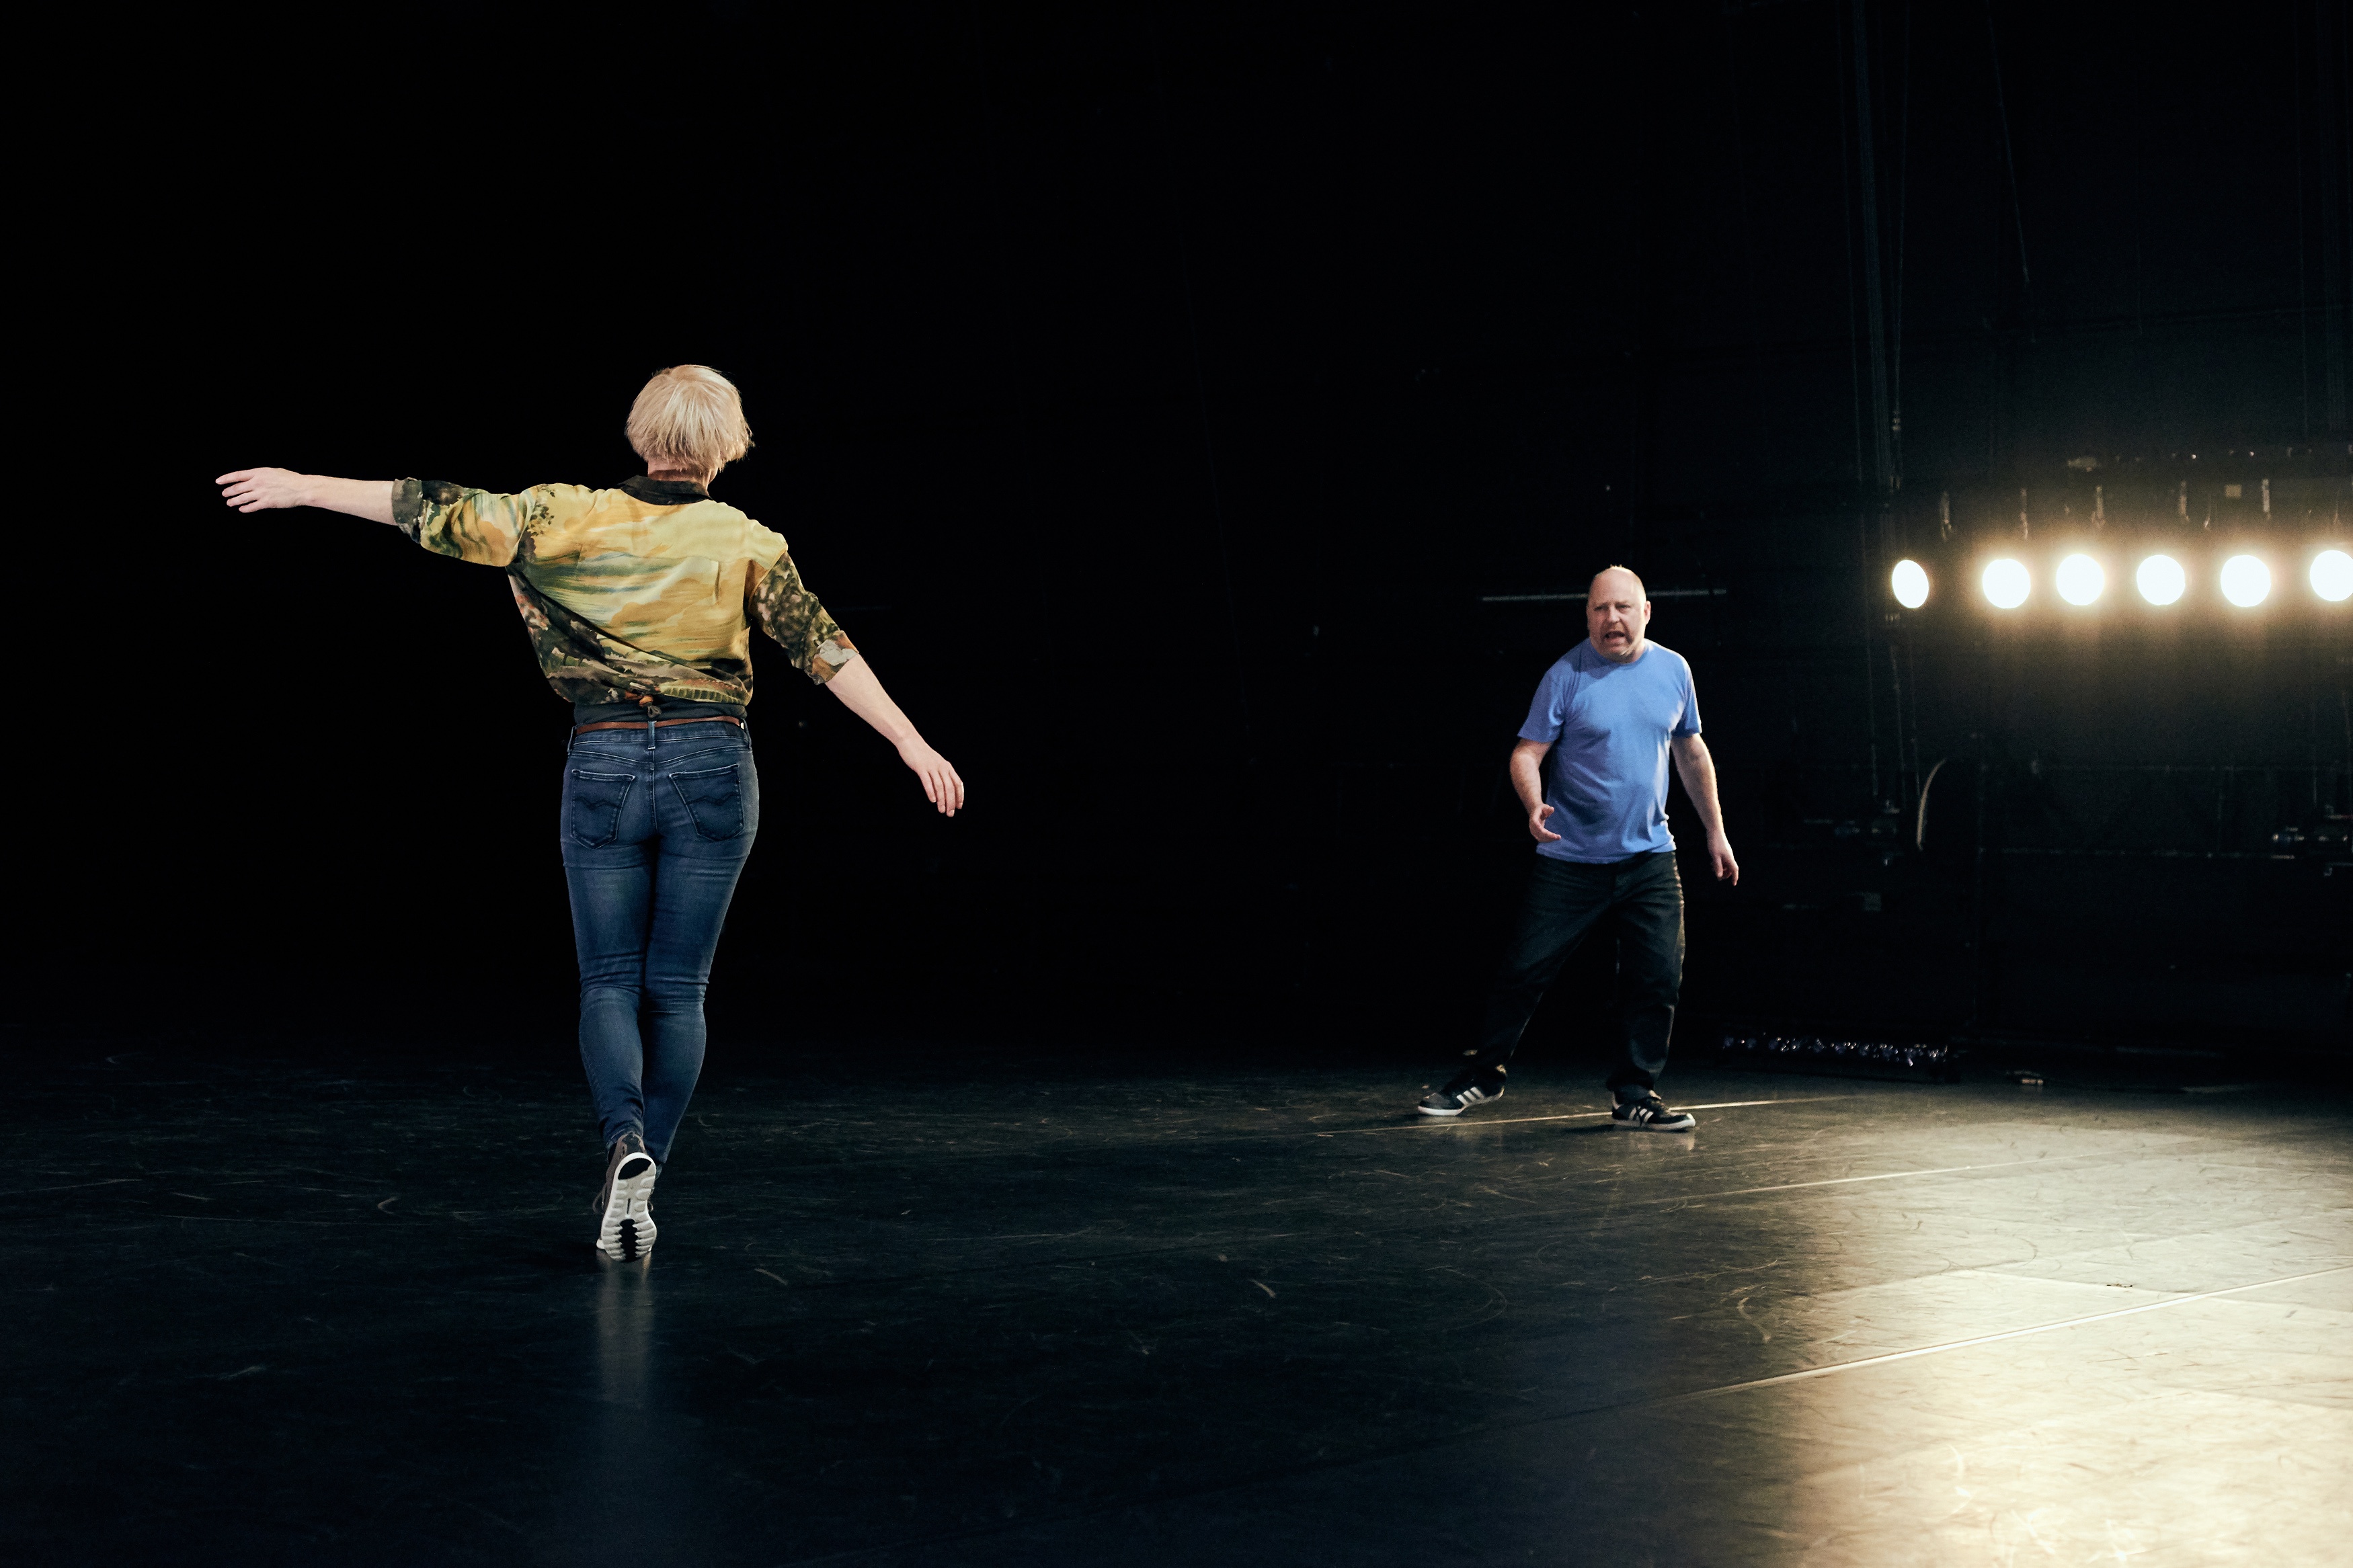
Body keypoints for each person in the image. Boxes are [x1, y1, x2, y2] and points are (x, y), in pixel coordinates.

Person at [217, 364, 964, 1260]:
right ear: (727, 448)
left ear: (640, 434)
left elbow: (430, 507)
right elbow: (822, 647)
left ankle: (623, 1142)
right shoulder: (746, 539)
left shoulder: (559, 515)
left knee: (609, 980)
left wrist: (304, 486)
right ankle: (648, 1171)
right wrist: (910, 741)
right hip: (712, 763)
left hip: (605, 757)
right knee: (679, 988)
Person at [1416, 566, 1735, 1129]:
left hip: (1649, 857)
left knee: (1658, 976)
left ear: (1645, 613)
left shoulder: (1673, 670)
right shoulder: (1566, 674)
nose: (1612, 619)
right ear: (1587, 615)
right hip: (1571, 858)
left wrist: (1716, 829)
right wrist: (1533, 803)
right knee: (1523, 971)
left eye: (1622, 608)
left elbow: (1690, 750)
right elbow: (1526, 752)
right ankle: (1483, 1074)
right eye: (1600, 609)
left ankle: (1634, 1092)